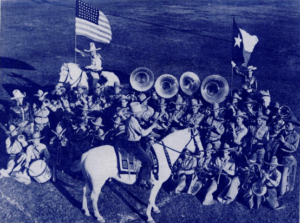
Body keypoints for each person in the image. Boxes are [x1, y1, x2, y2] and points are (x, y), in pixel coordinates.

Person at [125, 102, 159, 189]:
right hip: (133, 145)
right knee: (148, 161)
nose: (141, 114)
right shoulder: (133, 121)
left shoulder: (131, 119)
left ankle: (148, 178)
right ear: (135, 114)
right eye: (139, 113)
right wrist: (152, 126)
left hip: (131, 142)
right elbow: (143, 133)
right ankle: (141, 180)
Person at [275, 115, 299, 196]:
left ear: (294, 126)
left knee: (286, 175)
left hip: (288, 157)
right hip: (279, 155)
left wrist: (284, 142)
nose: (286, 125)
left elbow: (294, 148)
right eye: (286, 124)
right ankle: (276, 187)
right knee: (277, 173)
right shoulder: (282, 132)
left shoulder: (296, 135)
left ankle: (284, 191)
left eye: (288, 124)